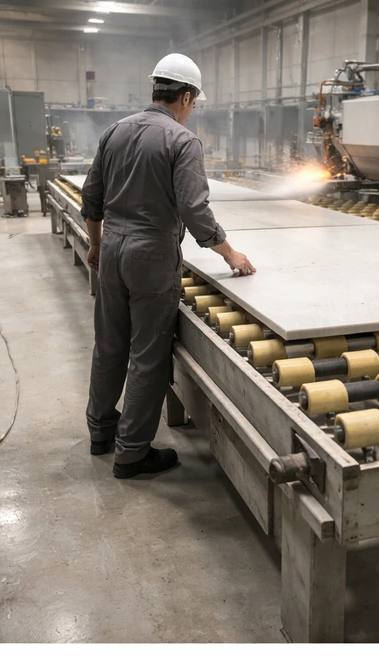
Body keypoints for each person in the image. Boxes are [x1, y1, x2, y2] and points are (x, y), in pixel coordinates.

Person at [81, 53, 256, 479]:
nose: (191, 111)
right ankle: (133, 453)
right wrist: (229, 253)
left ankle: (101, 432)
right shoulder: (182, 141)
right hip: (151, 255)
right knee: (147, 356)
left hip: (113, 250)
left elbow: (92, 197)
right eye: (193, 103)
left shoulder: (114, 132)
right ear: (184, 96)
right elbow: (194, 209)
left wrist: (96, 244)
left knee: (108, 345)